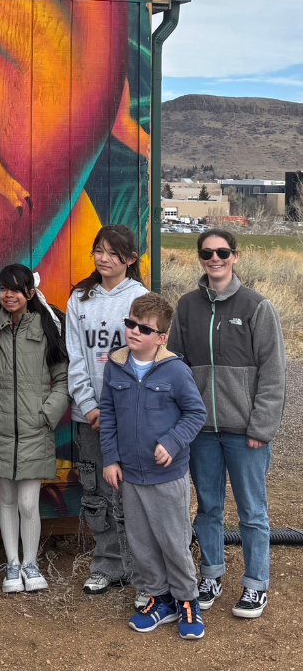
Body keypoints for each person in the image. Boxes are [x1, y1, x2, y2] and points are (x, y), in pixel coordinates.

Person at [169, 227, 286, 619]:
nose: (214, 259)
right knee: (208, 508)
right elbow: (176, 368)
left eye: (222, 252)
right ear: (199, 258)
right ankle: (211, 574)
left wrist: (261, 427)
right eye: (207, 253)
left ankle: (255, 584)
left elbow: (273, 372)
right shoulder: (186, 307)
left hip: (246, 433)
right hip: (202, 431)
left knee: (252, 511)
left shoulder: (257, 307)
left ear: (235, 256)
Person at [100, 292, 207, 640]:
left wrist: (172, 442)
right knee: (141, 542)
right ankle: (160, 599)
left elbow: (196, 413)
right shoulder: (115, 366)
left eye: (144, 329)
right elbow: (110, 416)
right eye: (130, 324)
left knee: (173, 541)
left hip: (166, 476)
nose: (134, 332)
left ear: (160, 338)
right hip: (130, 474)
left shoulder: (175, 370)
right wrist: (111, 459)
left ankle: (187, 601)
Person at [0, 264, 70, 595]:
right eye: (4, 288)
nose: (9, 295)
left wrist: (46, 414)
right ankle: (12, 563)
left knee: (28, 501)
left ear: (30, 292)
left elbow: (64, 378)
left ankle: (31, 563)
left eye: (17, 289)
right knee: (7, 498)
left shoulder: (47, 325)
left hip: (35, 426)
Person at [63, 224, 148, 597]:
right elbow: (75, 357)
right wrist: (89, 406)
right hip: (90, 418)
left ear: (130, 258)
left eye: (114, 253)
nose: (104, 258)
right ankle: (108, 564)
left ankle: (143, 570)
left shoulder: (141, 299)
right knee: (96, 493)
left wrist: (119, 410)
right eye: (98, 250)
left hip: (130, 417)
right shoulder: (79, 299)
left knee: (134, 496)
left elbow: (147, 359)